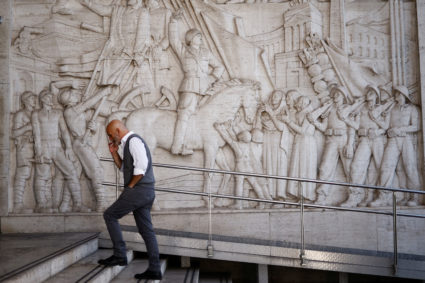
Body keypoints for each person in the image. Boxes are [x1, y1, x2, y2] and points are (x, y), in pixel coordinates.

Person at [100, 120, 161, 280]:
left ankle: (120, 255)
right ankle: (155, 269)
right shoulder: (127, 144)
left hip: (139, 190)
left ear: (118, 131)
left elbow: (141, 167)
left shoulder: (134, 141)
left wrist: (130, 187)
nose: (111, 138)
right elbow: (124, 168)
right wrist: (114, 152)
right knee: (146, 231)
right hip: (145, 191)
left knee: (110, 215)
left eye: (111, 135)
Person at [169, 10, 224, 155]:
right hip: (189, 86)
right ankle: (177, 145)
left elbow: (219, 67)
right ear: (191, 38)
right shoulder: (184, 51)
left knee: (203, 117)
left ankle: (192, 143)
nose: (201, 38)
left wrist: (211, 78)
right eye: (198, 36)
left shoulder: (206, 53)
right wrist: (173, 21)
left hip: (206, 88)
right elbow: (173, 40)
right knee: (184, 115)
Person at [58, 86, 111, 212]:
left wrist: (92, 128)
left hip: (83, 141)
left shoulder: (76, 111)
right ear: (69, 99)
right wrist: (103, 92)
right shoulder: (69, 111)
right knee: (96, 170)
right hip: (81, 144)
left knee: (75, 174)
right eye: (73, 94)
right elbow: (88, 104)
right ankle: (101, 203)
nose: (76, 95)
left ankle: (65, 204)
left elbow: (86, 120)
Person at [31, 89, 84, 213]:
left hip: (57, 145)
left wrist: (69, 148)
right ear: (43, 99)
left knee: (71, 172)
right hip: (43, 145)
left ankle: (77, 204)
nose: (51, 99)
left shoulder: (58, 112)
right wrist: (38, 152)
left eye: (51, 96)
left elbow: (64, 131)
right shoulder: (36, 114)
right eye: (48, 97)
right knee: (41, 176)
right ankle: (41, 204)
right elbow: (36, 134)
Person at [370, 85, 421, 207]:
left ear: (403, 95)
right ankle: (383, 196)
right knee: (386, 167)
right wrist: (376, 118)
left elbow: (416, 126)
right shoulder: (392, 109)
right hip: (393, 140)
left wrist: (399, 129)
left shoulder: (412, 109)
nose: (396, 96)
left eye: (398, 94)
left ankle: (414, 196)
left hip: (406, 139)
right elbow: (386, 125)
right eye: (396, 93)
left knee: (410, 167)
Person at [12, 91, 37, 213]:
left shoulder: (35, 113)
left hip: (36, 147)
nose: (34, 100)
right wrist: (27, 127)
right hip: (24, 147)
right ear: (25, 100)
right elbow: (14, 133)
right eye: (32, 98)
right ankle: (18, 204)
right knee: (23, 174)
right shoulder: (20, 114)